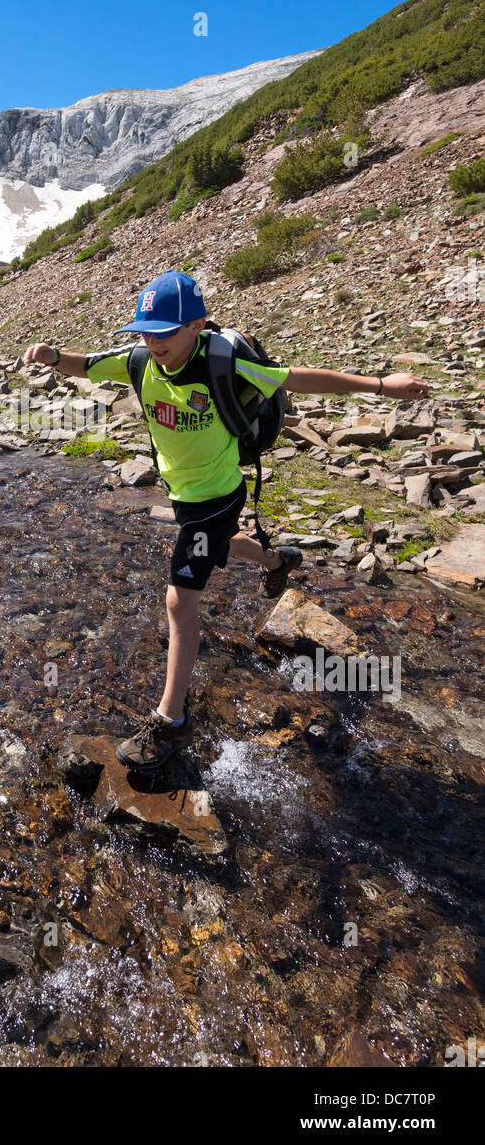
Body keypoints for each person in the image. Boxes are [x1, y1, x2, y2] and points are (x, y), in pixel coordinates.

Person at [24, 270, 430, 772]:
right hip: (184, 499)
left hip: (219, 496)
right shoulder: (138, 363)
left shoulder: (224, 364)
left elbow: (298, 377)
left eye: (165, 332)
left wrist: (382, 386)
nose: (153, 342)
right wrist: (53, 357)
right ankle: (277, 557)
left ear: (195, 325)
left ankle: (171, 720)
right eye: (145, 331)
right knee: (219, 546)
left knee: (180, 598)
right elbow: (87, 365)